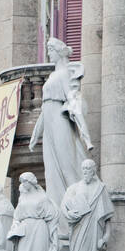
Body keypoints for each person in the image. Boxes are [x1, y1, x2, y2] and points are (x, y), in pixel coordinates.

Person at [29, 38, 92, 210]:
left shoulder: (64, 73)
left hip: (59, 120)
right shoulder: (52, 75)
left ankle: (78, 205)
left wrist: (85, 135)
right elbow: (44, 108)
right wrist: (36, 134)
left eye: (50, 50)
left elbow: (72, 99)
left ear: (58, 51)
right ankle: (56, 208)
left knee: (66, 162)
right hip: (49, 121)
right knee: (51, 168)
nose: (48, 53)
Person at [61, 159, 113, 251]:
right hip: (78, 231)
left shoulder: (100, 189)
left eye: (88, 169)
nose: (85, 172)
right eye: (83, 169)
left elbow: (108, 218)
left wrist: (106, 237)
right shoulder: (74, 188)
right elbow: (64, 207)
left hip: (95, 233)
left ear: (94, 170)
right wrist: (70, 213)